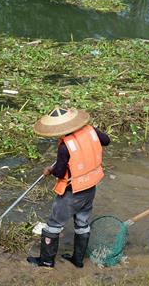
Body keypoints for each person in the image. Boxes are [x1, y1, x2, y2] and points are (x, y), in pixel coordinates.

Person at [27, 107, 110, 269]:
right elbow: (106, 141)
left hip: (72, 193)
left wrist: (50, 170)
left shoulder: (65, 147)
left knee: (53, 224)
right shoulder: (91, 130)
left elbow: (60, 172)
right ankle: (78, 260)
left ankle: (46, 261)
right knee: (82, 222)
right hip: (90, 187)